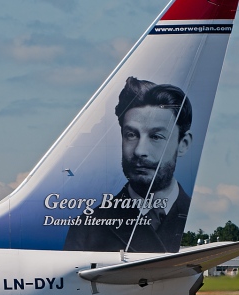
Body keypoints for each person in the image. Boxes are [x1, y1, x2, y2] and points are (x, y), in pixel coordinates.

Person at [64, 76, 193, 252]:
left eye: (156, 137)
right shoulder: (86, 227)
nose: (140, 151)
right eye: (131, 135)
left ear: (183, 144)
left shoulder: (193, 215)